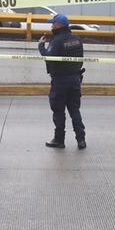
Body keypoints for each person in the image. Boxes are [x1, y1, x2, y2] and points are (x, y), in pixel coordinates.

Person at [38, 13, 86, 149]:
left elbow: (49, 58)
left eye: (53, 23)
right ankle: (81, 140)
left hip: (60, 81)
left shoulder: (57, 40)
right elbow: (80, 60)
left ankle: (59, 140)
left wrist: (41, 47)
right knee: (74, 110)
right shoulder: (77, 39)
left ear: (59, 25)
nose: (51, 25)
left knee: (58, 111)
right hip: (75, 79)